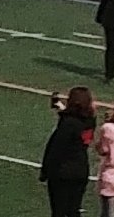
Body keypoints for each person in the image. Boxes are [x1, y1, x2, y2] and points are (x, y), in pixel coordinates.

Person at [40, 86, 97, 217]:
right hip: (81, 170)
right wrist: (60, 107)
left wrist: (45, 171)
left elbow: (55, 149)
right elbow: (75, 116)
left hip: (62, 172)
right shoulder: (90, 121)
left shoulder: (68, 124)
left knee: (59, 212)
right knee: (73, 210)